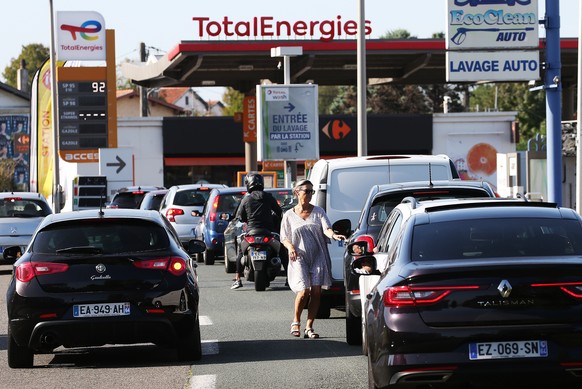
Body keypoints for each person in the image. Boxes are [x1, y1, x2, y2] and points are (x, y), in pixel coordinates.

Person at [280, 179, 345, 339]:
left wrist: (334, 235)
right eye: (306, 191)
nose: (309, 194)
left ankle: (309, 327)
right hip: (299, 256)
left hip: (318, 255)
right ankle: (296, 321)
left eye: (311, 191)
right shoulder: (288, 215)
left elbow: (327, 229)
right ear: (297, 192)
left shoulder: (318, 212)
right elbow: (284, 237)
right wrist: (290, 247)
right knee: (304, 291)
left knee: (316, 291)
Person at [231, 172, 283, 289]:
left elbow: (241, 216)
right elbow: (280, 213)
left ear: (248, 184)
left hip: (251, 232)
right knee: (282, 250)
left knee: (240, 252)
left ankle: (238, 279)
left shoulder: (246, 199)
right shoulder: (269, 197)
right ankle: (289, 279)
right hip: (268, 233)